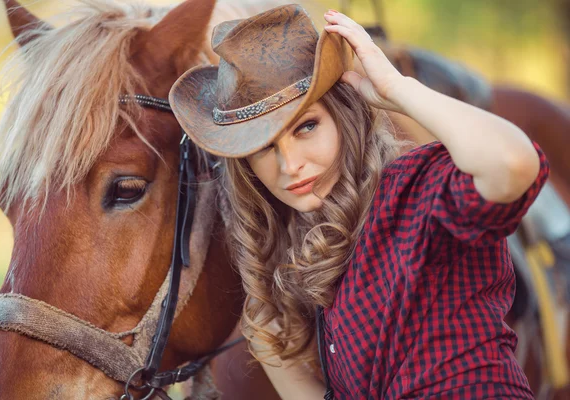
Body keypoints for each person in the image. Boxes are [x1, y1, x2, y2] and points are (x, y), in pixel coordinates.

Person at [169, 4, 548, 399]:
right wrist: (278, 359)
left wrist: (397, 91)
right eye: (264, 148)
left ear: (342, 115)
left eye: (307, 127)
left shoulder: (414, 192)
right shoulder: (300, 268)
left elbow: (514, 164)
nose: (291, 165)